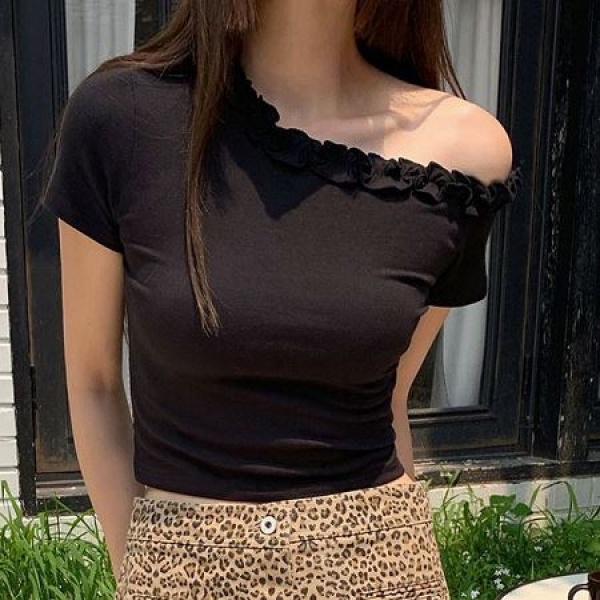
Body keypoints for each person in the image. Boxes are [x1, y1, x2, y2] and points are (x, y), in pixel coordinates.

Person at [39, 0, 523, 598]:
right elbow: (93, 384)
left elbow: (390, 397)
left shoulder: (462, 154)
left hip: (383, 566)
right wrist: (144, 573)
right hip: (178, 570)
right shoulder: (122, 119)